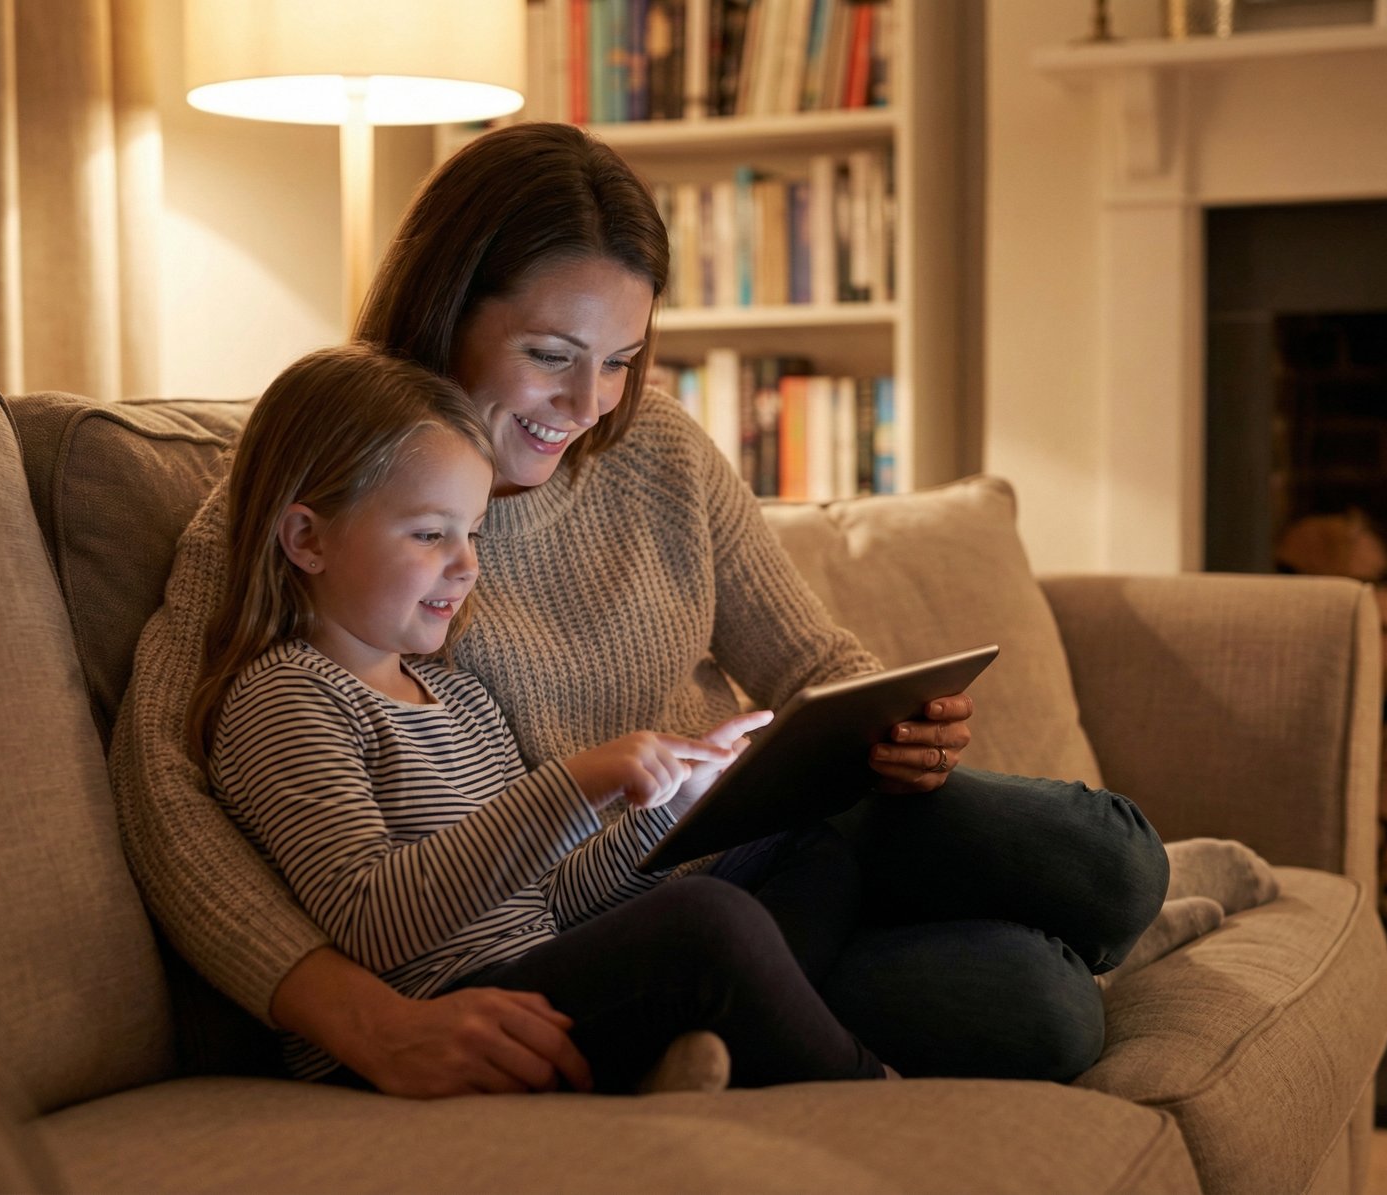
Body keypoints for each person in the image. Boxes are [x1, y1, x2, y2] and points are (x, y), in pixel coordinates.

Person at [111, 121, 1188, 1099]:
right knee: (1045, 1011)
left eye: (621, 361)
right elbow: (162, 785)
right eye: (550, 356)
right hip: (624, 929)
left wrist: (892, 723)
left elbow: (812, 662)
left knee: (1113, 861)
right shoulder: (311, 500)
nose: (588, 405)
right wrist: (364, 1020)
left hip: (748, 844)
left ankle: (1109, 907)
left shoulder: (655, 446)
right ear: (445, 308)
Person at [187, 342, 890, 1091]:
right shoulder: (286, 699)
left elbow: (552, 902)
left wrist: (671, 812)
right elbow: (370, 922)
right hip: (446, 1015)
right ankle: (864, 1084)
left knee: (808, 847)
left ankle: (707, 1050)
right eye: (429, 534)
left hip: (536, 974)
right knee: (706, 920)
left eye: (473, 532)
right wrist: (573, 786)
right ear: (307, 539)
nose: (467, 565)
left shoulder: (460, 697)